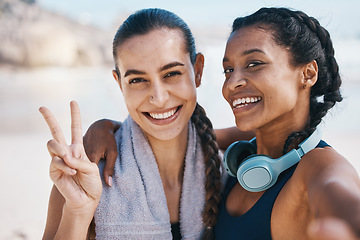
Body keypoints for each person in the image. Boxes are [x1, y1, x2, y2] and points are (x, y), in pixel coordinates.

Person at [84, 7, 360, 240]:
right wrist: (106, 127)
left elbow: (343, 202)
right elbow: (171, 137)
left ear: (307, 73)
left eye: (254, 64)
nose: (233, 82)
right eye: (229, 69)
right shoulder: (241, 154)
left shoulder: (319, 165)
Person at [40, 8, 233, 240]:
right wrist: (78, 211)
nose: (159, 98)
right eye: (138, 80)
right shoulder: (84, 174)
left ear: (198, 71)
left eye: (171, 73)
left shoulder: (229, 170)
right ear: (120, 84)